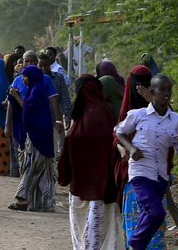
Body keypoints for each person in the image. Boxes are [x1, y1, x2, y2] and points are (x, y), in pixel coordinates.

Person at [115, 74, 178, 250]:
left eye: (168, 90)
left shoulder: (177, 120)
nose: (166, 93)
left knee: (149, 215)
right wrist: (131, 149)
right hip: (140, 172)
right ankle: (135, 244)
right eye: (162, 89)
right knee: (157, 212)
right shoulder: (138, 115)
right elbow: (119, 132)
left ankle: (136, 245)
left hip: (161, 177)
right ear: (152, 92)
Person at [58, 75, 123, 249]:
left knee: (81, 228)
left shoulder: (79, 118)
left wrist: (65, 175)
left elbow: (68, 151)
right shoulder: (107, 114)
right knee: (103, 230)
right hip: (104, 186)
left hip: (80, 185)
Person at [7, 65, 57, 212]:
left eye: (25, 76)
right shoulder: (34, 89)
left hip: (38, 135)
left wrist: (16, 96)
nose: (23, 79)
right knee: (41, 168)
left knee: (31, 166)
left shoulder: (37, 91)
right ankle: (42, 202)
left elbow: (28, 109)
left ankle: (22, 199)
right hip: (40, 134)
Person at [39, 53, 71, 156]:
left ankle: (56, 169)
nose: (44, 68)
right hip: (39, 118)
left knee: (58, 148)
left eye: (46, 65)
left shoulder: (58, 77)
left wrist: (67, 116)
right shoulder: (33, 79)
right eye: (41, 66)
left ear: (50, 65)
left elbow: (65, 98)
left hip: (55, 117)